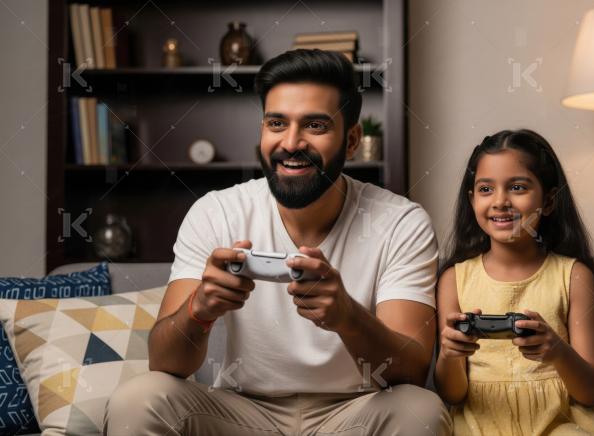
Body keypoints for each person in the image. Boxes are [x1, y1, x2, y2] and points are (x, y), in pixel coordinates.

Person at [104, 49, 452, 436]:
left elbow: (412, 372)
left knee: (419, 409)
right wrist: (199, 309)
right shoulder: (217, 212)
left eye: (315, 125)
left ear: (351, 140)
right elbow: (167, 364)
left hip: (354, 413)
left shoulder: (401, 222)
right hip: (241, 413)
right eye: (276, 123)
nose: (291, 143)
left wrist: (346, 317)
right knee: (138, 398)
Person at [434, 129, 594, 435]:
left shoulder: (574, 276)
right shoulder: (454, 279)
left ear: (548, 200)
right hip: (481, 422)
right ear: (472, 200)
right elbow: (452, 394)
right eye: (485, 189)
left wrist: (558, 351)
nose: (500, 201)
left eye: (518, 187)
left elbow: (591, 392)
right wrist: (449, 354)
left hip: (559, 421)